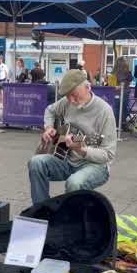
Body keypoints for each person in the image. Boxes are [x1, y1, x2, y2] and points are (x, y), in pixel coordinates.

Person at [28, 69, 117, 205]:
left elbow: (108, 154)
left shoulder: (105, 112)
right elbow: (50, 110)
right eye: (68, 96)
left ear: (88, 87)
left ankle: (71, 221)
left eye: (74, 95)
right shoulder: (67, 102)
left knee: (74, 183)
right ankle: (42, 211)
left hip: (95, 165)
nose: (71, 100)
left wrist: (82, 150)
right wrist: (49, 128)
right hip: (66, 159)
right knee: (36, 163)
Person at [112, 57, 133, 128]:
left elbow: (111, 82)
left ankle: (116, 124)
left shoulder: (114, 71)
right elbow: (130, 79)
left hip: (116, 92)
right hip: (125, 92)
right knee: (123, 108)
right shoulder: (126, 71)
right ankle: (122, 123)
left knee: (116, 108)